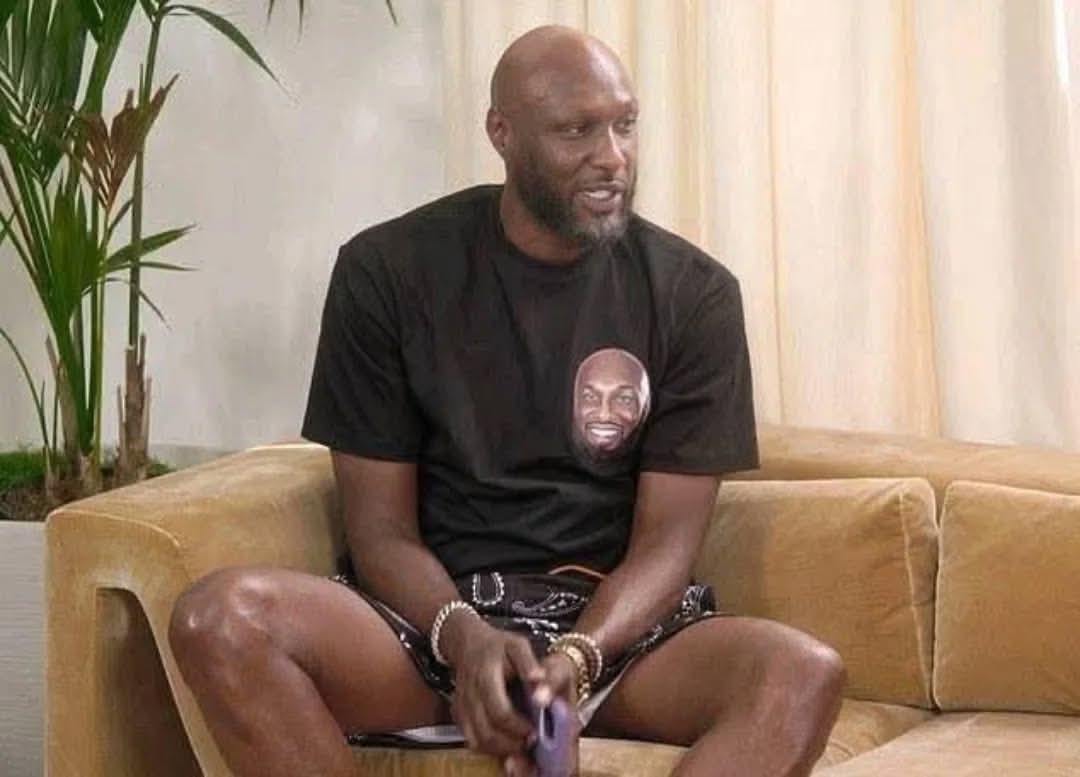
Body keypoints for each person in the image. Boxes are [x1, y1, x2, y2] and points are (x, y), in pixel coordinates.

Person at [168, 25, 844, 777]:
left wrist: (575, 659)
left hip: (614, 641)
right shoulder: (387, 273)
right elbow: (381, 531)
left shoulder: (694, 295)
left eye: (624, 124)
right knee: (218, 618)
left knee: (801, 673)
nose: (613, 157)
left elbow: (666, 548)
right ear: (502, 132)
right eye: (576, 131)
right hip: (428, 625)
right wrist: (466, 641)